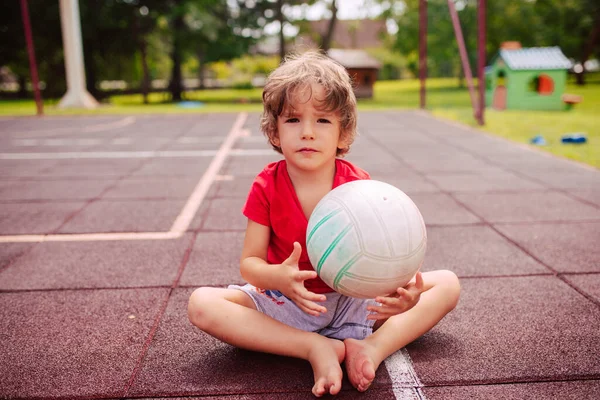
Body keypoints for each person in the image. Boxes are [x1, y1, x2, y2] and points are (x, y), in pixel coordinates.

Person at [188, 51, 460, 397]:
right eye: (292, 120)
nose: (307, 133)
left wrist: (402, 295)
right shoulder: (266, 185)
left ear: (343, 134)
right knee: (201, 304)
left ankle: (372, 347)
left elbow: (384, 256)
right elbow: (250, 264)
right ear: (274, 131)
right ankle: (313, 347)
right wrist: (279, 278)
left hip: (353, 299)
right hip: (289, 303)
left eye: (323, 121)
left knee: (447, 284)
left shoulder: (358, 186)